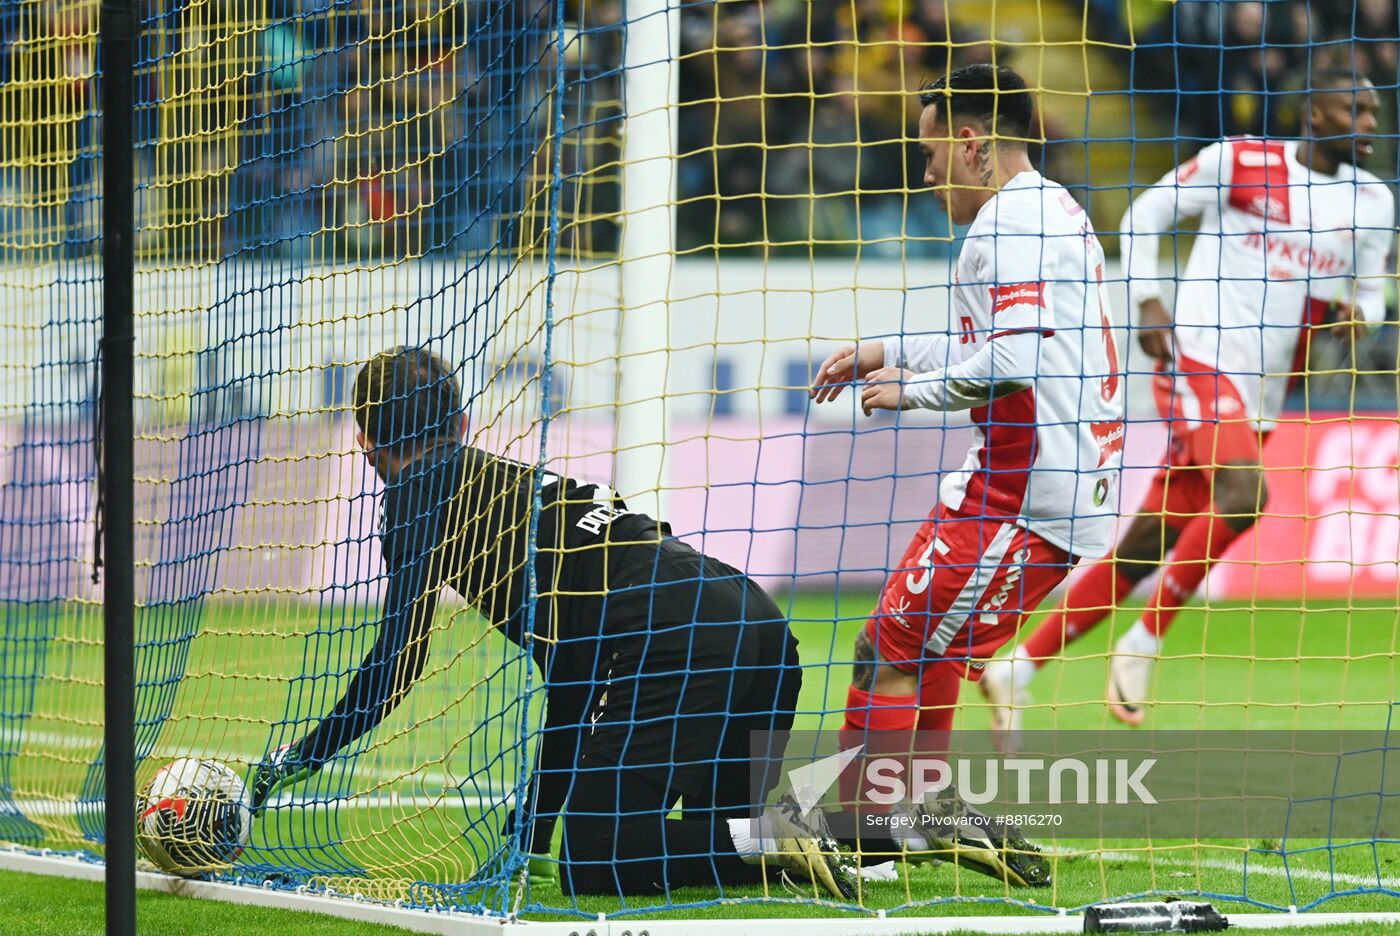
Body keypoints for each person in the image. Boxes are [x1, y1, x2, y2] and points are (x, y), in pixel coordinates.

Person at [249, 347, 859, 899]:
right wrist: (530, 837)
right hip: (754, 620)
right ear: (462, 426)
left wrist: (295, 759)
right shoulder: (518, 494)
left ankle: (787, 835)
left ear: (362, 439)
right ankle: (903, 822)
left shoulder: (414, 496)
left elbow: (396, 665)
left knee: (597, 863)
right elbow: (573, 687)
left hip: (674, 625)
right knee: (721, 838)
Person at [981, 68, 1395, 741]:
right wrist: (1146, 299)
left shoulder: (1373, 201)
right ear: (1314, 113)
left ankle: (1018, 668)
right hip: (1197, 359)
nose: (1372, 126)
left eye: (1376, 112)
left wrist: (1363, 317)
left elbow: (1373, 293)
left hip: (1263, 392)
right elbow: (1146, 213)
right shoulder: (1240, 161)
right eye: (1356, 110)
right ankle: (1143, 642)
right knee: (1246, 495)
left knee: (1151, 540)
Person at [810, 63, 1125, 886]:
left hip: (1020, 494)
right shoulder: (1055, 208)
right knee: (934, 650)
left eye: (929, 150)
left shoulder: (1005, 227)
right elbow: (1008, 348)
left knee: (887, 647)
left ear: (970, 140)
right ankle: (926, 803)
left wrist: (909, 392)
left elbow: (1013, 363)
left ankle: (866, 835)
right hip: (1048, 483)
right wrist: (893, 350)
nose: (924, 172)